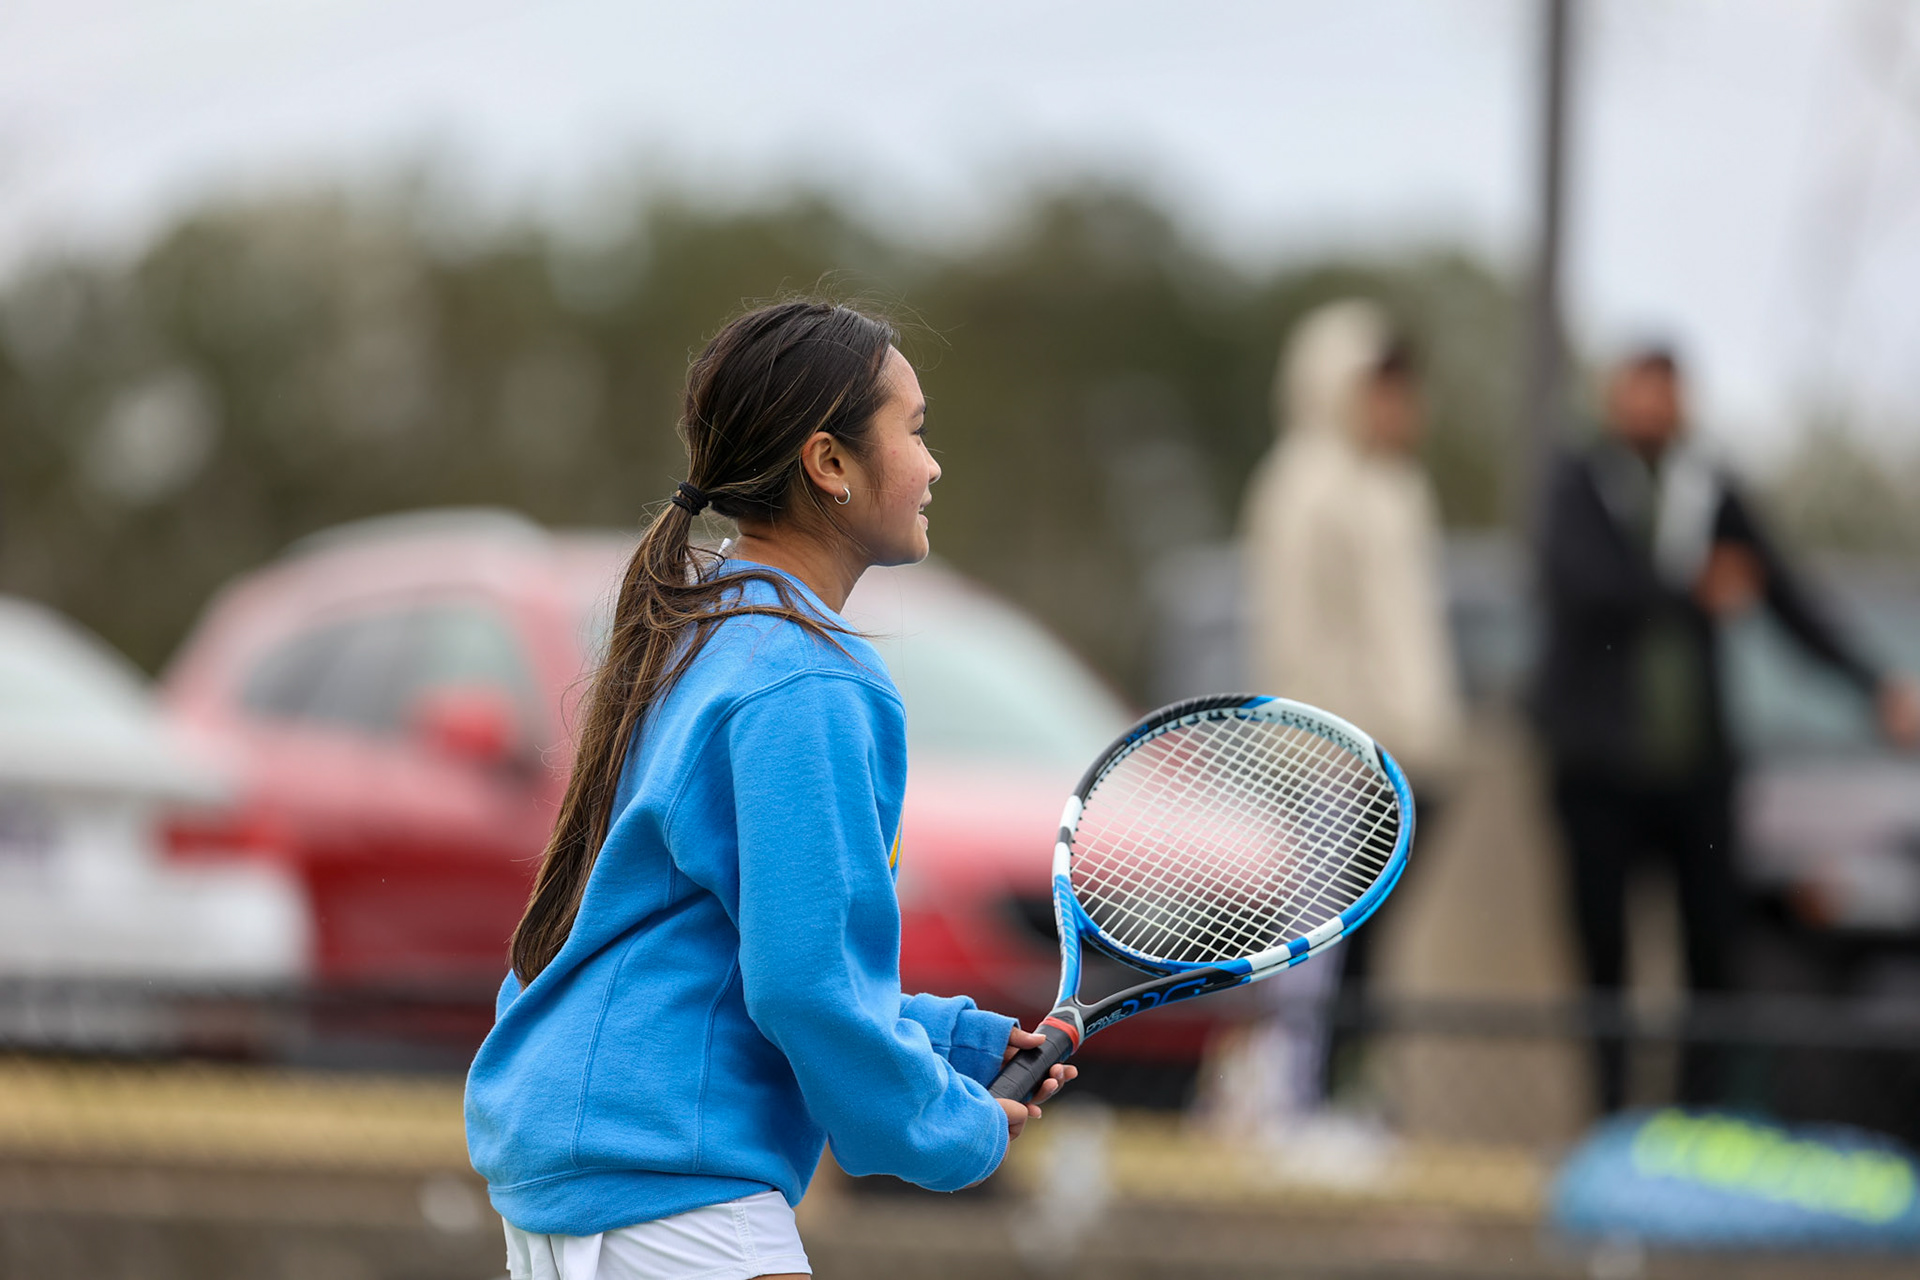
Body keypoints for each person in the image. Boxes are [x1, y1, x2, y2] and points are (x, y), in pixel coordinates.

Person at [465, 301, 1073, 1280]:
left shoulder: (703, 635)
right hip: (671, 1195)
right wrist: (957, 1127)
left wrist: (953, 1038)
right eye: (914, 431)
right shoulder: (809, 679)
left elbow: (724, 959)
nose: (933, 465)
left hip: (581, 1174)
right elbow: (806, 989)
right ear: (830, 463)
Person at [1534, 346, 1920, 1115]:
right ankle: (1609, 1118)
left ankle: (1695, 1119)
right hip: (1597, 769)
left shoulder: (1708, 487)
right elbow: (1580, 586)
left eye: (1666, 393)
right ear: (1616, 398)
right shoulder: (1580, 482)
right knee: (1602, 953)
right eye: (1639, 391)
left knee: (1710, 952)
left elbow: (1785, 596)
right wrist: (1689, 590)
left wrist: (1876, 686)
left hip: (1696, 772)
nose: (1653, 407)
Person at [1239, 298, 1466, 1108]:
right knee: (1314, 946)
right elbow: (1299, 639)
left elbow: (1408, 636)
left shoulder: (1395, 490)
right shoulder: (1304, 487)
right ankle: (1291, 1108)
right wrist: (1333, 745)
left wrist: (1426, 734)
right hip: (1328, 760)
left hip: (1403, 756)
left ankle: (1341, 1102)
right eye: (1381, 387)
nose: (1399, 408)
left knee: (1370, 948)